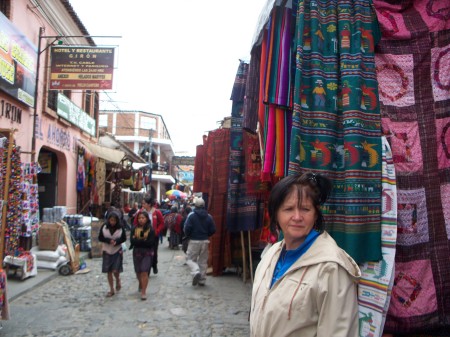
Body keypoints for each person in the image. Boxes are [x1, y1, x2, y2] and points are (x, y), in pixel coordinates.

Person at [249, 172, 361, 337]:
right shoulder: (270, 255)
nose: (297, 217)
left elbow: (338, 331)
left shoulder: (330, 267)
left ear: (315, 214)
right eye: (288, 209)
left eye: (305, 209)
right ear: (276, 214)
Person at [183, 197, 216, 286]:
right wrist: (206, 235)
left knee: (189, 259)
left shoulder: (191, 215)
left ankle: (196, 271)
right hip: (205, 241)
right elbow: (213, 229)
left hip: (194, 240)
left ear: (196, 206)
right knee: (203, 261)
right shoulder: (209, 216)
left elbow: (187, 228)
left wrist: (188, 235)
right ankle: (202, 280)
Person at [98, 210, 127, 297]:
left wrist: (117, 242)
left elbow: (124, 238)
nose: (112, 222)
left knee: (115, 270)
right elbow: (100, 237)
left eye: (114, 220)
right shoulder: (104, 227)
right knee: (109, 271)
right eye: (111, 220)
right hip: (107, 250)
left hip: (117, 251)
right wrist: (108, 240)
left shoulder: (120, 228)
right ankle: (111, 289)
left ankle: (118, 279)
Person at [133, 196, 164, 274]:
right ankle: (147, 268)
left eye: (145, 203)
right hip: (142, 234)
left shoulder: (157, 212)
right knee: (146, 251)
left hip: (154, 236)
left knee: (154, 251)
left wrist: (157, 231)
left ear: (149, 204)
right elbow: (135, 223)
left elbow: (161, 223)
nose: (143, 205)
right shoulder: (140, 212)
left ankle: (154, 264)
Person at [130, 210, 156, 300]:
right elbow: (132, 241)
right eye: (139, 218)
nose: (141, 220)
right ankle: (140, 283)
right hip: (137, 252)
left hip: (147, 253)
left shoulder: (150, 229)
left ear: (146, 219)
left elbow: (150, 242)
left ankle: (143, 291)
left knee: (144, 271)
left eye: (143, 218)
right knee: (138, 272)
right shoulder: (134, 228)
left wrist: (138, 240)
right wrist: (142, 240)